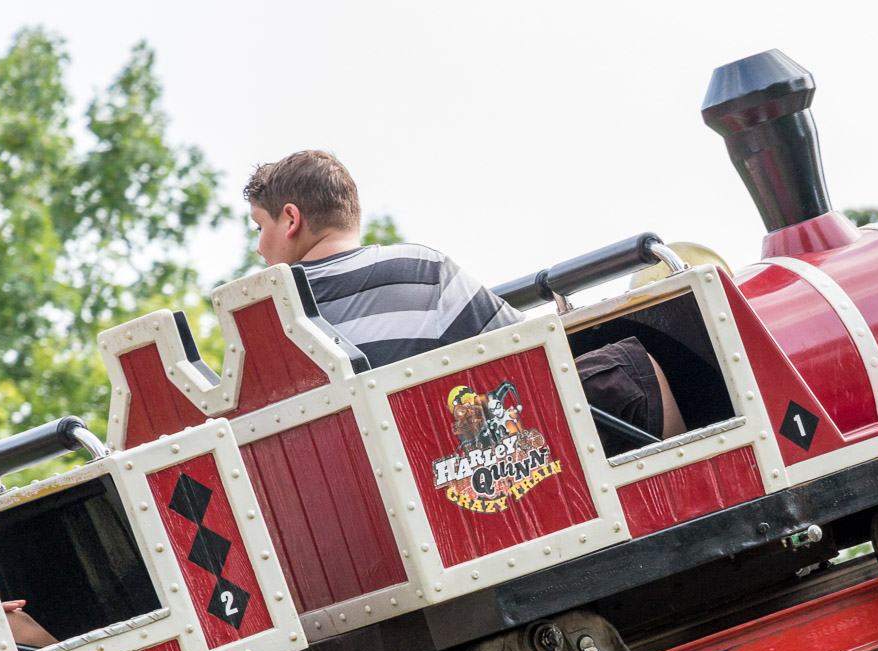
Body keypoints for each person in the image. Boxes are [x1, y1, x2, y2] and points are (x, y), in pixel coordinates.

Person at [242, 150, 685, 454]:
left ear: (291, 219)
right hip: (452, 470)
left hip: (348, 496)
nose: (260, 248)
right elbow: (532, 353)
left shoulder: (260, 327)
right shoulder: (418, 268)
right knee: (628, 367)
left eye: (259, 227)